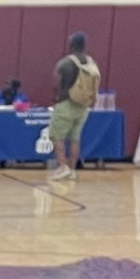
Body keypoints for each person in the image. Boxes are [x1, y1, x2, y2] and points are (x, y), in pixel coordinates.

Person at [45, 32, 99, 183]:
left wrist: (55, 97)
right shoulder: (90, 62)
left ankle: (62, 167)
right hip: (83, 105)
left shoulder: (65, 63)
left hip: (66, 103)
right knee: (75, 138)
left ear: (72, 45)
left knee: (57, 136)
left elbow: (56, 82)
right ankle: (72, 169)